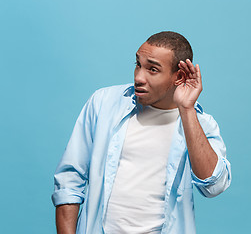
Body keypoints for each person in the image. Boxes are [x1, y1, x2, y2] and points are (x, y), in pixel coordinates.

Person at [51, 31, 231, 234]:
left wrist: (187, 109)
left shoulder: (200, 124)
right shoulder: (103, 103)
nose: (139, 77)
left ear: (178, 76)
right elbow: (69, 181)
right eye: (138, 64)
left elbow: (213, 186)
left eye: (152, 69)